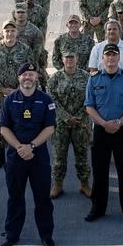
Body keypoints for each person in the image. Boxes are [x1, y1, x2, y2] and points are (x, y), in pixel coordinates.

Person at [0, 62, 57, 246]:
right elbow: (4, 127)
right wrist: (19, 148)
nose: (28, 78)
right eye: (24, 75)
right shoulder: (9, 100)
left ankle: (46, 235)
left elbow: (50, 128)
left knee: (43, 199)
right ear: (19, 78)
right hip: (16, 157)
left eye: (31, 74)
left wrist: (30, 146)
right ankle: (12, 235)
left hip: (38, 156)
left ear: (37, 77)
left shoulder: (46, 100)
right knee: (15, 198)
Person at [84, 43, 123, 224]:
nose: (111, 58)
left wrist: (119, 122)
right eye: (107, 55)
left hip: (121, 130)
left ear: (119, 58)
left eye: (114, 55)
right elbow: (89, 106)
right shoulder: (93, 79)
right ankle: (97, 208)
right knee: (100, 172)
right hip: (101, 130)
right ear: (102, 58)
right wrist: (103, 123)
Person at [0, 20, 35, 169]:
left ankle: (18, 155)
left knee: (20, 125)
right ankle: (0, 155)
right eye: (7, 31)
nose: (10, 33)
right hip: (0, 96)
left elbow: (31, 72)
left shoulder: (25, 49)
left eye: (12, 30)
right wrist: (1, 88)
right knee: (2, 126)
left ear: (17, 32)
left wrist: (20, 90)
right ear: (2, 33)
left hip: (19, 95)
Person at [48, 50, 92, 199]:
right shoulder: (55, 78)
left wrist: (78, 117)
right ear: (62, 59)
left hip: (81, 123)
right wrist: (67, 117)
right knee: (59, 157)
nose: (69, 60)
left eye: (72, 57)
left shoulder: (86, 77)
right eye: (67, 57)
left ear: (77, 58)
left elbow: (90, 99)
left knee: (82, 156)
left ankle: (85, 184)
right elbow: (52, 100)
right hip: (61, 124)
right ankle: (57, 184)